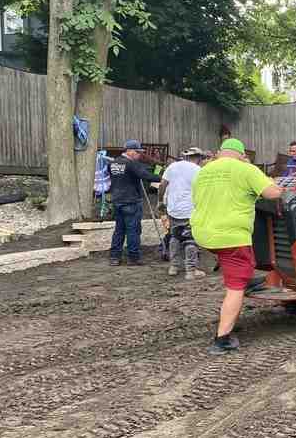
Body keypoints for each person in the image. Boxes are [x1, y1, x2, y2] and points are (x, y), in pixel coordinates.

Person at [191, 138, 283, 355]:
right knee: (235, 287)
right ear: (242, 154)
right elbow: (273, 193)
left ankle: (246, 278)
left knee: (235, 266)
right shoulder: (245, 169)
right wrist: (270, 181)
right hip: (230, 236)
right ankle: (222, 339)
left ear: (220, 152)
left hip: (203, 234)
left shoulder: (204, 171)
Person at [108, 139, 162, 266]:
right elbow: (146, 176)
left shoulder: (114, 163)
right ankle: (133, 257)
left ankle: (114, 257)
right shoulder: (131, 164)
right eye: (138, 152)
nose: (139, 155)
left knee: (119, 230)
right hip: (131, 200)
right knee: (133, 230)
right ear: (130, 151)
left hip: (117, 200)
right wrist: (163, 177)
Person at [159, 147, 206, 280]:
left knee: (175, 237)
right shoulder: (198, 170)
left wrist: (159, 201)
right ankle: (191, 270)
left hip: (173, 208)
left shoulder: (172, 167)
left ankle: (173, 267)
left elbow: (162, 185)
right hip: (189, 210)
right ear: (198, 158)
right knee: (190, 239)